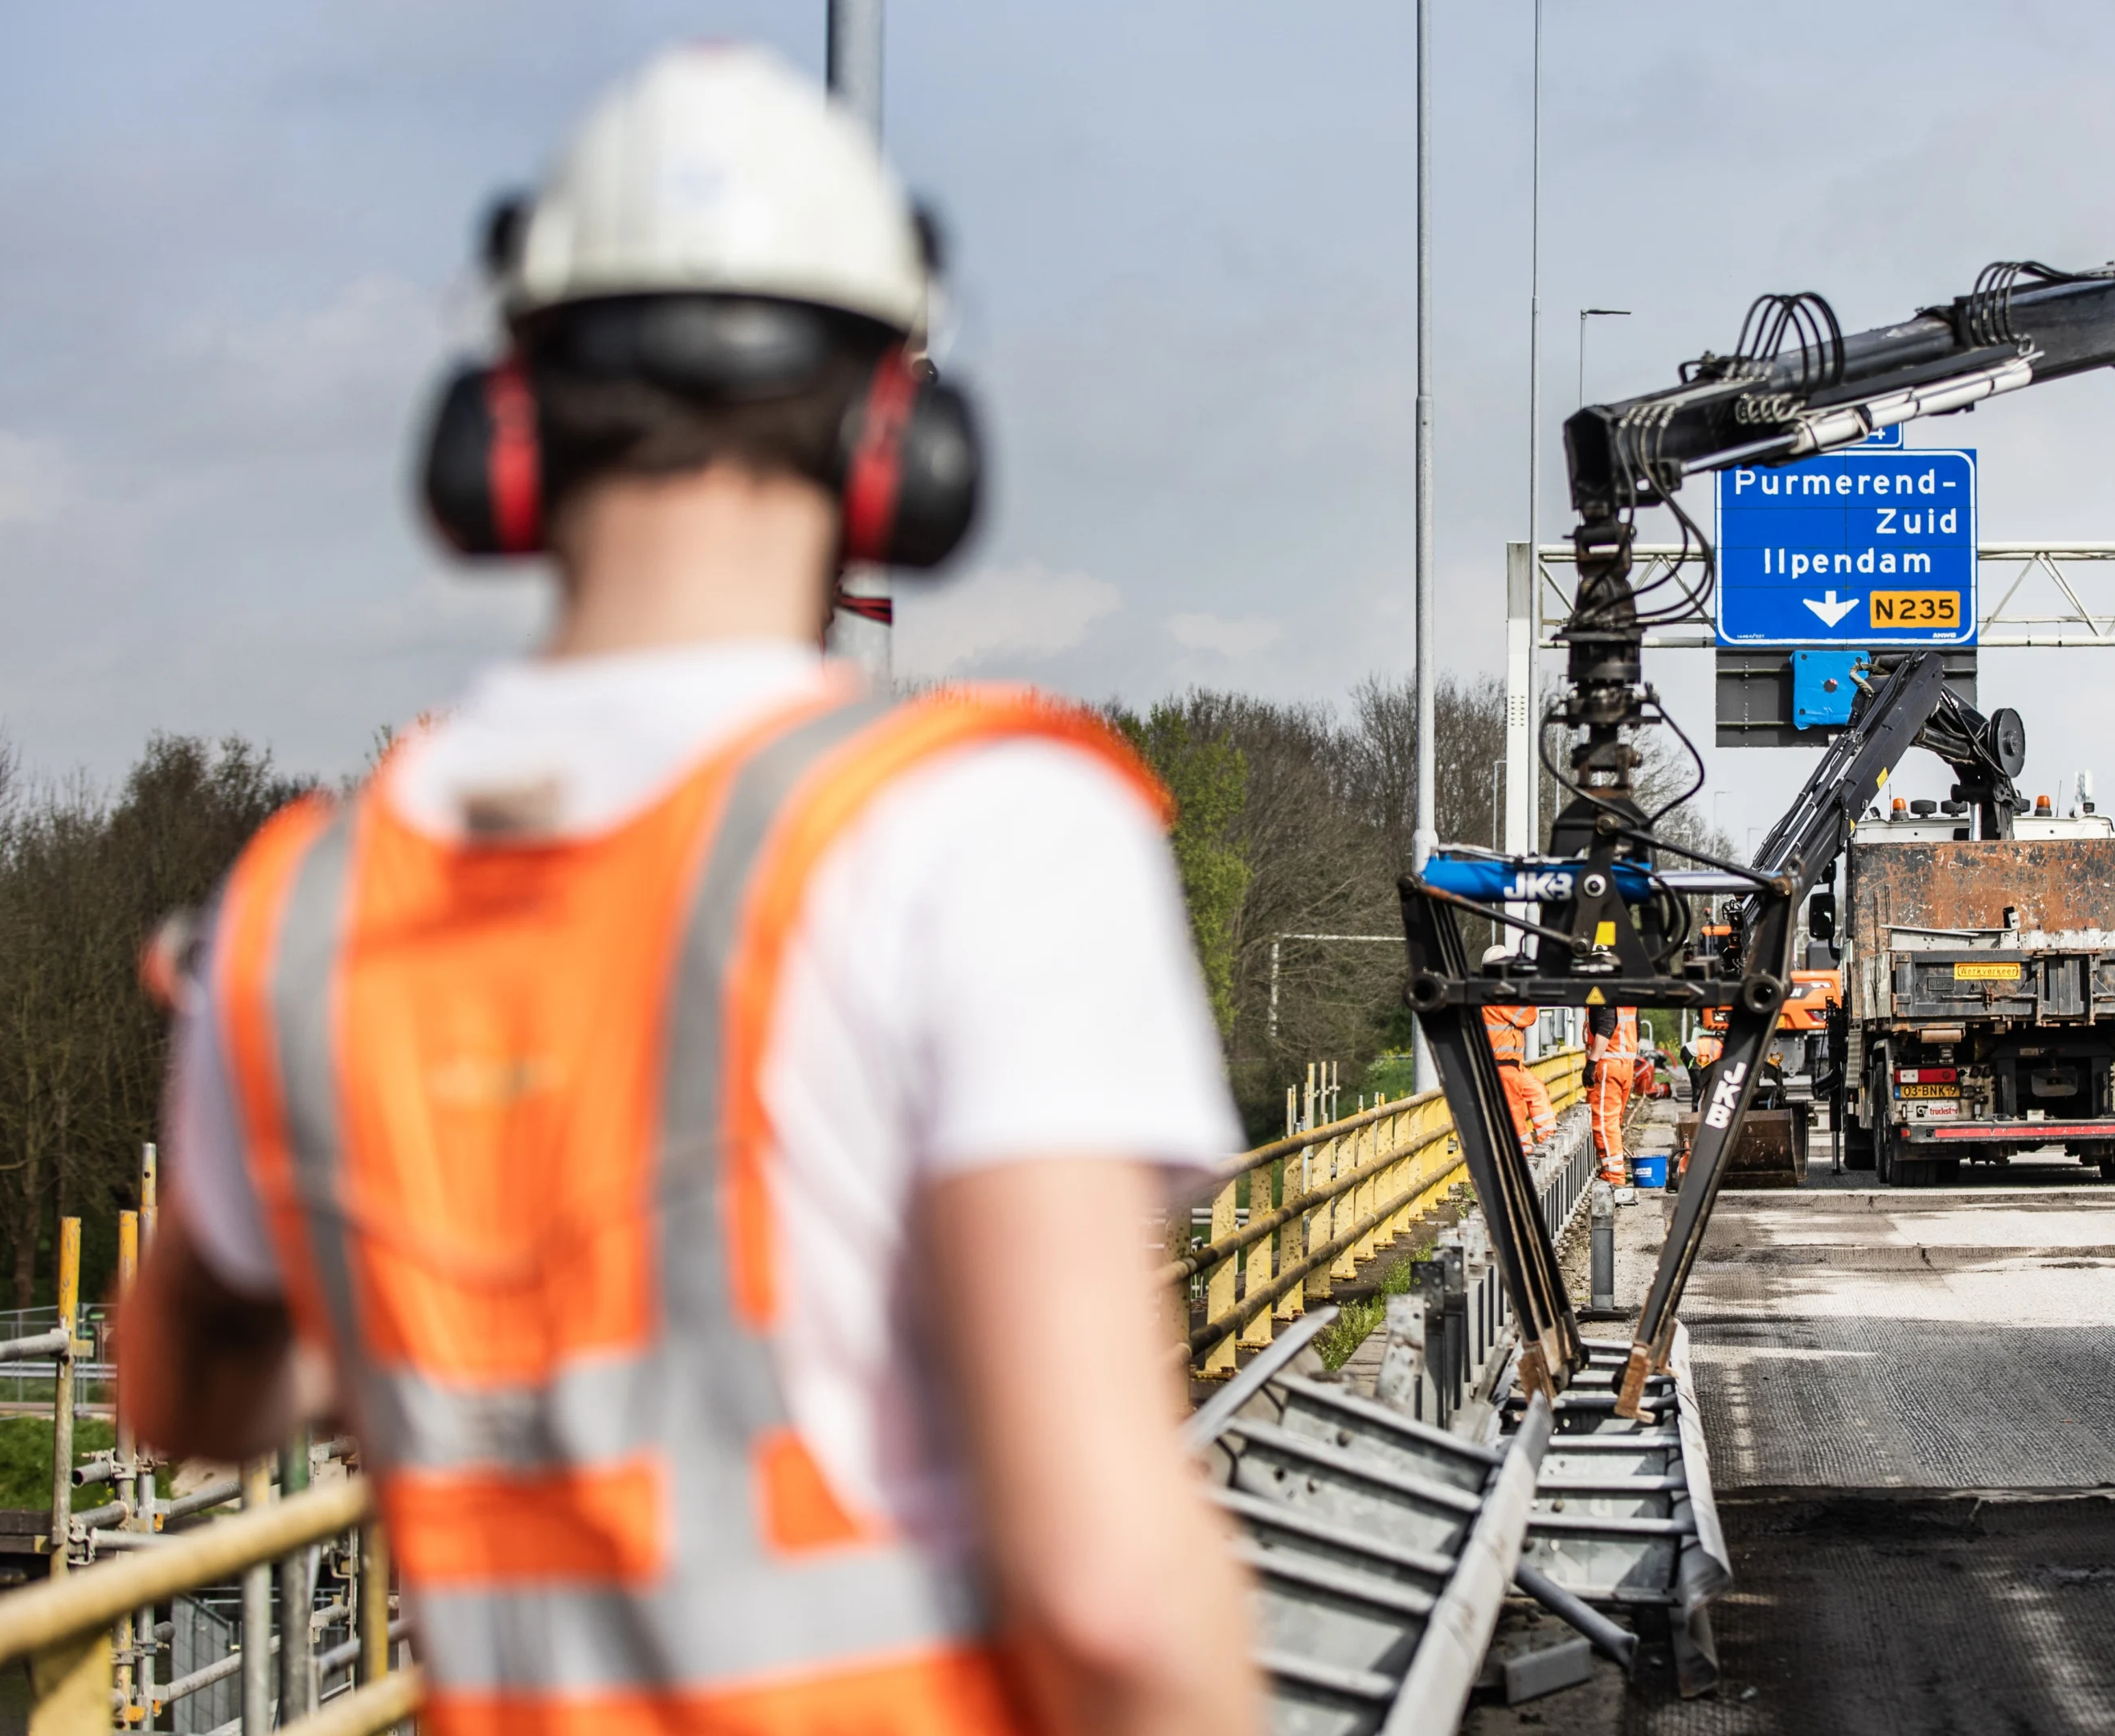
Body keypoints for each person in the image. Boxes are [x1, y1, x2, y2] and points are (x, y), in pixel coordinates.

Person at [116, 44, 1260, 1736]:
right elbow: (1109, 1596)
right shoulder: (981, 838)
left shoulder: (301, 921)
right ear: (897, 438)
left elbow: (187, 1398)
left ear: (506, 427)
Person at [1479, 948, 1557, 1152]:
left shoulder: (1493, 991)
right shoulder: (1499, 993)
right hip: (1502, 1063)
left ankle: (1549, 1140)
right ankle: (1523, 1150)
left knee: (1536, 1090)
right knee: (1515, 1108)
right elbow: (1528, 1016)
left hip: (1511, 1063)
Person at [1586, 1006, 1639, 1185]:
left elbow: (1607, 1026)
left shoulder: (1602, 994)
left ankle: (1614, 1176)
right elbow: (1637, 1028)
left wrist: (1592, 1062)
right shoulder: (1627, 996)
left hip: (1608, 1064)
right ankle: (1614, 1169)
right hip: (1626, 1064)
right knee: (1614, 1121)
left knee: (1604, 1122)